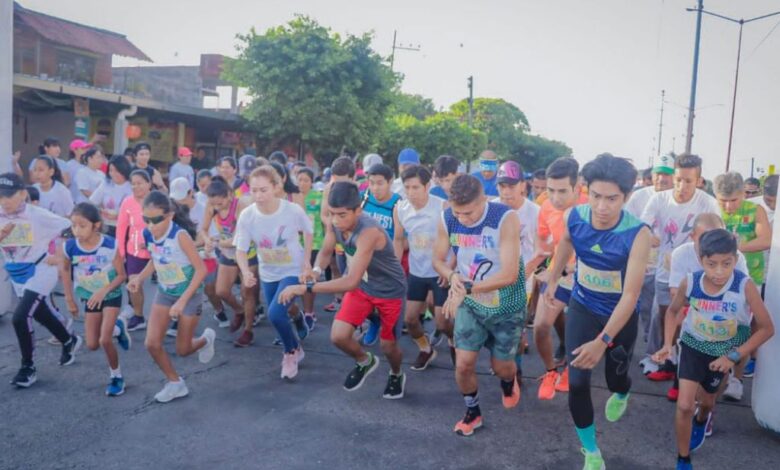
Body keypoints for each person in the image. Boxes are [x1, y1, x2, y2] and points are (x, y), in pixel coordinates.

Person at [543, 154, 650, 470]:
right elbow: (565, 242)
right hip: (583, 306)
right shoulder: (575, 216)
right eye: (596, 196)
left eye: (612, 199)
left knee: (615, 377)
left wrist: (603, 341)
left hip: (619, 316)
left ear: (627, 197)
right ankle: (591, 451)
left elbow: (630, 296)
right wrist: (552, 278)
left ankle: (622, 392)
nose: (602, 207)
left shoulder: (637, 234)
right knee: (577, 383)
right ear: (585, 189)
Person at [652, 229, 774, 470]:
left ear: (736, 259)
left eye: (726, 263)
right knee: (685, 404)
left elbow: (766, 328)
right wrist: (668, 344)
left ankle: (701, 419)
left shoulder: (744, 285)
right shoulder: (691, 281)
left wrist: (734, 356)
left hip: (723, 353)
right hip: (693, 346)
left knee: (707, 402)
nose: (719, 271)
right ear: (701, 261)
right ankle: (683, 458)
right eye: (712, 264)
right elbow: (673, 311)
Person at [279, 181, 408, 399]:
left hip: (389, 292)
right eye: (332, 214)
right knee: (338, 337)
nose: (336, 221)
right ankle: (365, 361)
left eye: (342, 215)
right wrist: (316, 270)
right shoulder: (334, 223)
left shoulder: (369, 232)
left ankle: (396, 373)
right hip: (365, 288)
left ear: (358, 210)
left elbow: (350, 281)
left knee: (388, 346)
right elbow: (327, 250)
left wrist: (305, 287)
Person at [431, 174, 525, 436]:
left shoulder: (505, 218)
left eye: (469, 213)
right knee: (463, 364)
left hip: (506, 304)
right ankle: (472, 412)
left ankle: (508, 381)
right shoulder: (447, 217)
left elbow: (508, 275)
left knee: (502, 367)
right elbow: (437, 260)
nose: (463, 219)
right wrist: (452, 277)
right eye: (458, 213)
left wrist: (465, 288)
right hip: (470, 303)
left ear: (484, 199)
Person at [126, 191, 215, 403]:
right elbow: (155, 259)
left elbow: (201, 270)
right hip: (165, 293)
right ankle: (176, 383)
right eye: (145, 219)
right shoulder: (149, 234)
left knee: (183, 350)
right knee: (152, 343)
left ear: (170, 216)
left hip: (190, 294)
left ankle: (206, 339)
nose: (150, 225)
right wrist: (139, 278)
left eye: (155, 220)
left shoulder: (180, 236)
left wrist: (183, 301)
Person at [640, 153, 720, 383]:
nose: (682, 186)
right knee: (661, 314)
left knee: (690, 319)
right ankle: (656, 357)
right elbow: (644, 223)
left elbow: (716, 234)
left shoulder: (708, 202)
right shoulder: (659, 199)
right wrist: (649, 235)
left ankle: (685, 364)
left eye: (688, 181)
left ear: (699, 181)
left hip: (697, 273)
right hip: (665, 270)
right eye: (678, 180)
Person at [0, 173, 81, 388]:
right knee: (40, 312)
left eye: (10, 195)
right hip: (17, 273)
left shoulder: (38, 215)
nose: (4, 200)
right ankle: (69, 339)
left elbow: (71, 227)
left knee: (20, 317)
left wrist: (61, 254)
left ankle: (28, 367)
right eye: (1, 196)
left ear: (23, 194)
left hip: (41, 269)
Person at [235, 166, 313, 379]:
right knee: (280, 313)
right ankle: (296, 328)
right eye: (254, 190)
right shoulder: (247, 215)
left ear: (276, 187)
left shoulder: (292, 210)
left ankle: (290, 352)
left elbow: (309, 231)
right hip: (268, 271)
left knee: (275, 314)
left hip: (292, 269)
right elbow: (240, 250)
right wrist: (245, 272)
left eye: (263, 190)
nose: (258, 196)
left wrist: (306, 262)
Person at [666, 213, 749, 401]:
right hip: (694, 312)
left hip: (727, 317)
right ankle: (680, 367)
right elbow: (674, 294)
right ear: (692, 236)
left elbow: (741, 295)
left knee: (739, 334)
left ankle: (733, 380)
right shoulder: (680, 253)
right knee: (680, 317)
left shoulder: (737, 258)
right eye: (705, 238)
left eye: (717, 236)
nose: (712, 243)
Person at [531, 157, 588, 401]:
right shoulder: (545, 206)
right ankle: (551, 371)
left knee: (578, 330)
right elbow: (542, 239)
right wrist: (541, 263)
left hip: (587, 278)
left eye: (562, 191)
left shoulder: (592, 205)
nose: (555, 198)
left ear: (577, 187)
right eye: (550, 190)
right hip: (558, 274)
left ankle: (570, 371)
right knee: (541, 326)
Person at [61, 203, 130, 396]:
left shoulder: (109, 245)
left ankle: (116, 377)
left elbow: (121, 275)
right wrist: (69, 299)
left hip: (110, 293)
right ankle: (119, 327)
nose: (76, 230)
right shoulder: (70, 246)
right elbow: (65, 270)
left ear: (96, 225)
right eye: (73, 225)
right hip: (90, 296)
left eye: (82, 225)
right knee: (92, 344)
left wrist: (103, 291)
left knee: (105, 339)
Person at [393, 165, 449, 370]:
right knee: (410, 320)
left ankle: (453, 343)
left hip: (440, 272)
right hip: (417, 272)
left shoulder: (443, 207)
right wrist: (395, 268)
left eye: (415, 187)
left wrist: (448, 269)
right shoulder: (400, 208)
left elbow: (455, 241)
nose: (410, 193)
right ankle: (426, 349)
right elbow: (398, 240)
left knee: (443, 323)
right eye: (407, 187)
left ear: (427, 186)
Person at [625, 153, 675, 375]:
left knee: (660, 311)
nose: (661, 179)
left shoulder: (676, 199)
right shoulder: (639, 197)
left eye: (666, 175)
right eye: (658, 174)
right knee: (646, 309)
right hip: (644, 263)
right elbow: (627, 223)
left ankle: (658, 351)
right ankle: (652, 342)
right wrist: (643, 236)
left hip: (668, 268)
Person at [200, 176, 260, 346]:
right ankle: (239, 310)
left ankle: (248, 330)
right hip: (227, 252)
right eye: (214, 204)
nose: (217, 207)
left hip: (247, 252)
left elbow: (238, 238)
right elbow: (203, 229)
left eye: (220, 204)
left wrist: (216, 242)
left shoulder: (241, 206)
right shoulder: (211, 205)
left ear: (229, 196)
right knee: (221, 291)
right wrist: (207, 240)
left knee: (246, 292)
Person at [168, 177, 225, 337]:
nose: (179, 202)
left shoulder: (203, 210)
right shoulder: (174, 212)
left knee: (210, 290)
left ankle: (219, 309)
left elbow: (212, 235)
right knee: (183, 288)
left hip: (205, 256)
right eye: (175, 199)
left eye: (181, 198)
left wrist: (192, 245)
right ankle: (178, 319)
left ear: (190, 192)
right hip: (183, 258)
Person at [360, 163, 403, 346]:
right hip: (364, 257)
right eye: (371, 183)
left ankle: (387, 331)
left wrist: (395, 265)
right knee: (356, 293)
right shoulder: (364, 199)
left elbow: (400, 239)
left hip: (387, 260)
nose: (375, 188)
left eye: (380, 183)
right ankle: (373, 322)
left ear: (390, 182)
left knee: (386, 301)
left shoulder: (398, 204)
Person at [116, 170, 153, 331]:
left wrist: (153, 243)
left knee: (171, 285)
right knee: (134, 284)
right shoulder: (127, 202)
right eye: (133, 183)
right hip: (135, 251)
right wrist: (121, 253)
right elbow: (121, 229)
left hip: (157, 251)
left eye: (140, 183)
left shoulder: (157, 200)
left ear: (149, 184)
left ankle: (176, 318)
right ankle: (138, 316)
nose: (136, 186)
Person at [320, 156, 357, 314]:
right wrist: (333, 223)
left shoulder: (358, 190)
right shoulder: (329, 189)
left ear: (352, 177)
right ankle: (341, 300)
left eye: (343, 181)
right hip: (336, 235)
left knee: (353, 271)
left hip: (355, 238)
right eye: (336, 180)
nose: (338, 185)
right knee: (339, 267)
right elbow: (323, 214)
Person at [296, 167, 323, 329]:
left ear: (312, 182)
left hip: (315, 243)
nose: (302, 183)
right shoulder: (292, 198)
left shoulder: (319, 197)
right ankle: (298, 311)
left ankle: (308, 312)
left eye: (306, 180)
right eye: (299, 180)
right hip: (295, 245)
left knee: (309, 278)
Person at [89, 155, 133, 237]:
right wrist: (100, 211)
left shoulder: (132, 186)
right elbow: (92, 202)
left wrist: (118, 216)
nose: (113, 174)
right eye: (111, 170)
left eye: (117, 171)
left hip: (126, 228)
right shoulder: (106, 183)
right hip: (106, 227)